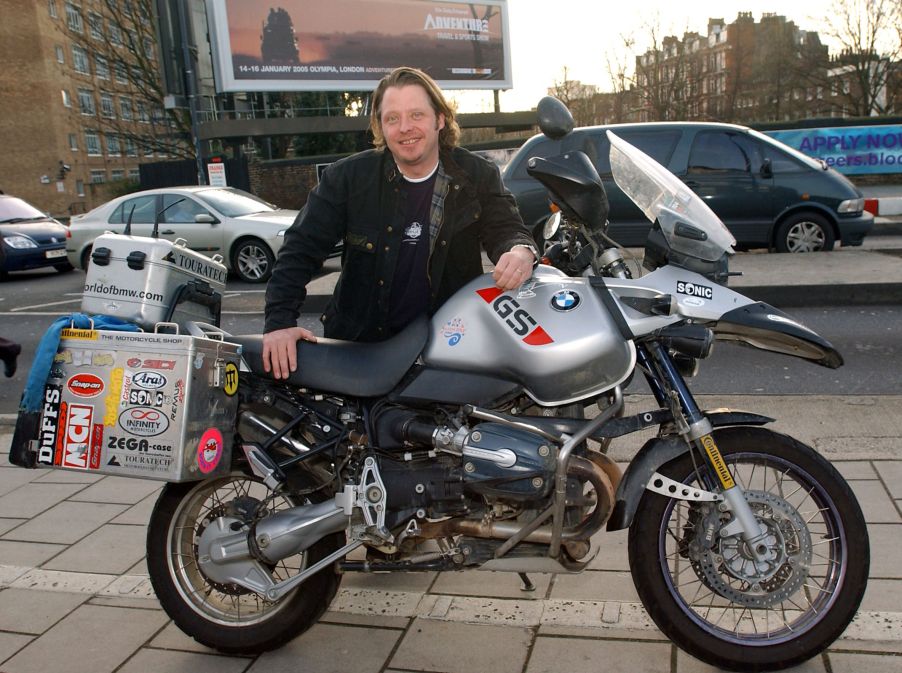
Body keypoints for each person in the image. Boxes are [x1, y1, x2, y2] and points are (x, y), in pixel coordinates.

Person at [262, 66, 537, 379]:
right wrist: (279, 323)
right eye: (392, 118)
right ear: (381, 126)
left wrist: (519, 250)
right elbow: (300, 248)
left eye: (417, 114)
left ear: (440, 119)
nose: (405, 128)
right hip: (359, 348)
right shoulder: (348, 178)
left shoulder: (477, 174)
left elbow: (507, 228)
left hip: (448, 346)